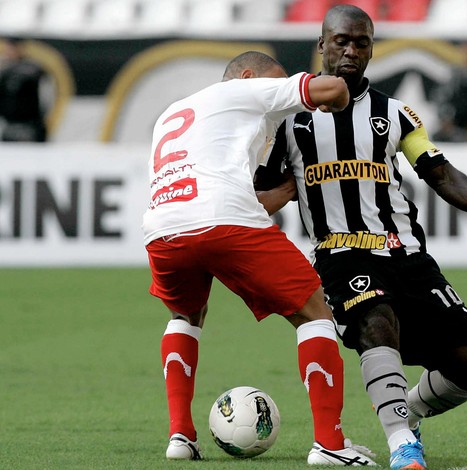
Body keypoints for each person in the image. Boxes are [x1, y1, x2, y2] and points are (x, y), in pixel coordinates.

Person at [256, 6, 467, 470]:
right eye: (341, 40)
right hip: (340, 253)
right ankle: (401, 444)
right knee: (377, 322)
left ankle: (408, 412)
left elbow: (437, 171)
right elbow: (265, 191)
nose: (351, 50)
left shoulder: (394, 114)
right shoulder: (288, 121)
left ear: (372, 49)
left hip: (406, 254)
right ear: (322, 45)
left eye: (361, 42)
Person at [142, 50, 377, 466]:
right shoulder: (245, 93)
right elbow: (334, 87)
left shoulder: (174, 113)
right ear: (248, 76)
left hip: (163, 227)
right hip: (224, 221)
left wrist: (286, 190)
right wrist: (339, 107)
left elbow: (216, 192)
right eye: (273, 83)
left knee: (186, 316)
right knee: (315, 312)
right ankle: (330, 444)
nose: (277, 98)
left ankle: (180, 435)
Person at [0, 37, 49, 142]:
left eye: (11, 48)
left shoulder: (32, 69)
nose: (8, 52)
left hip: (29, 126)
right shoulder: (5, 70)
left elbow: (46, 98)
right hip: (9, 125)